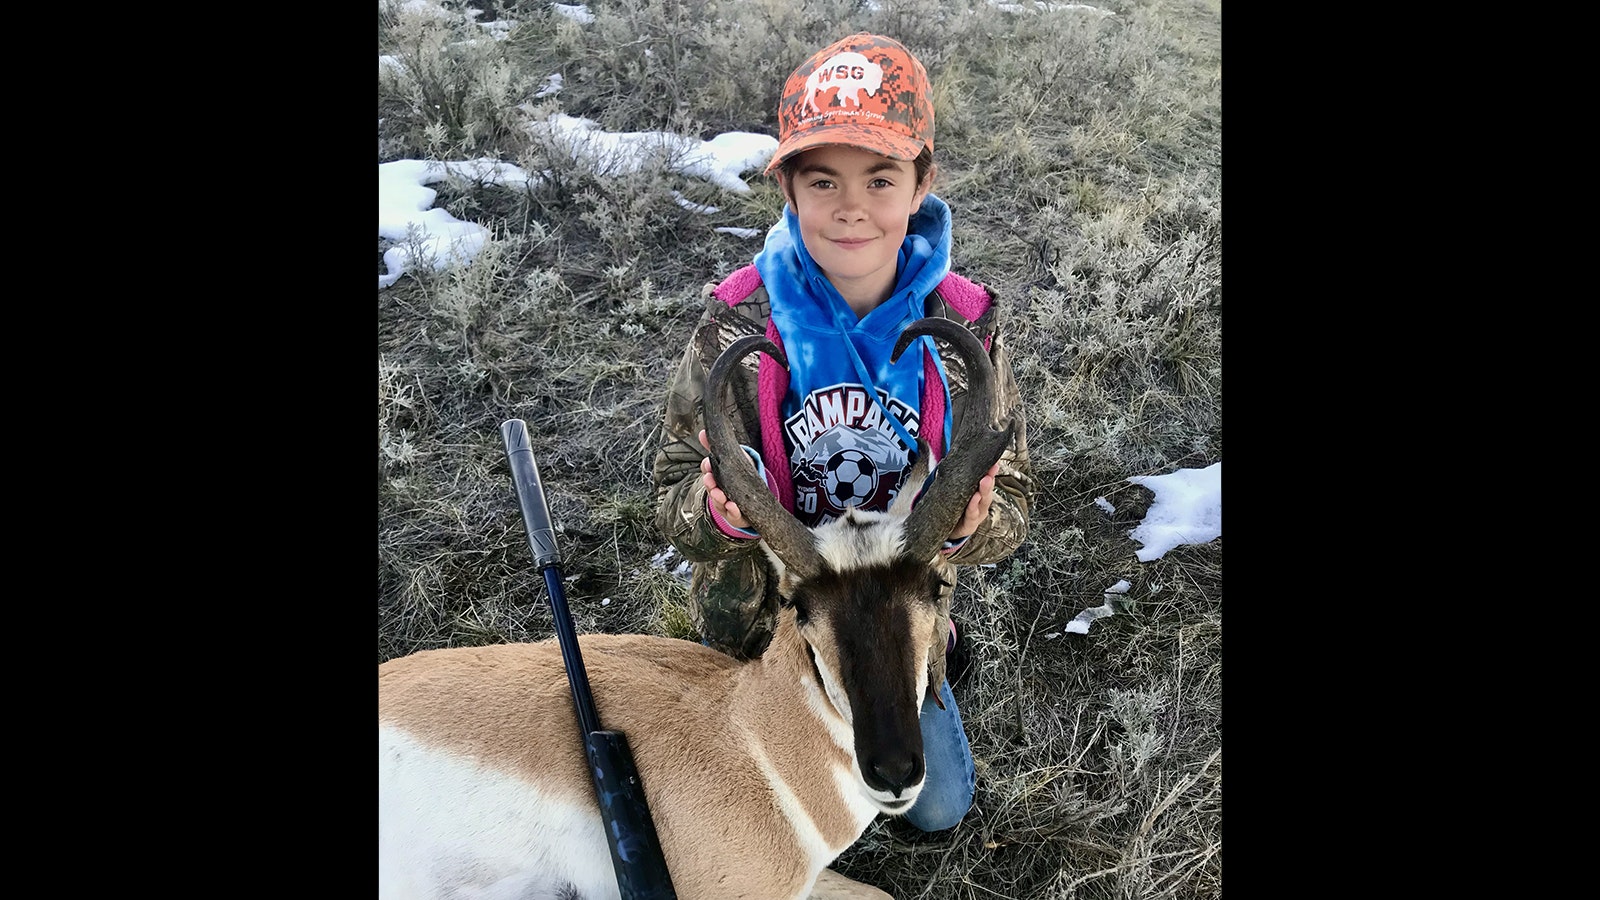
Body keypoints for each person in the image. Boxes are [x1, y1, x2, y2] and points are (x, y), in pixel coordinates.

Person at [650, 32, 1035, 833]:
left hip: (897, 613)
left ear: (922, 182)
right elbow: (671, 496)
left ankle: (927, 664)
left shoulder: (966, 330)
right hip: (767, 623)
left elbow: (1016, 506)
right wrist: (719, 514)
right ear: (786, 185)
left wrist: (972, 525)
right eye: (822, 179)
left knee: (935, 807)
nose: (851, 206)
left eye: (881, 178)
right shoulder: (737, 324)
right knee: (739, 811)